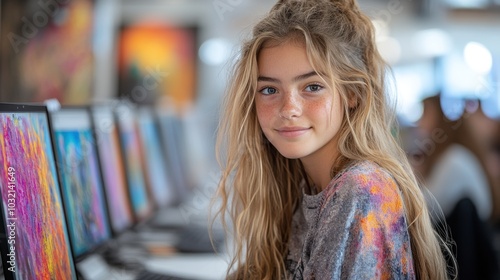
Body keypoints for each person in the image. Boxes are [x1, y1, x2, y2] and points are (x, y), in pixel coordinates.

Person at [213, 0, 452, 279]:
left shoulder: (360, 190)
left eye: (312, 87)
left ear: (352, 94)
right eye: (269, 89)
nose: (289, 108)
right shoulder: (304, 185)